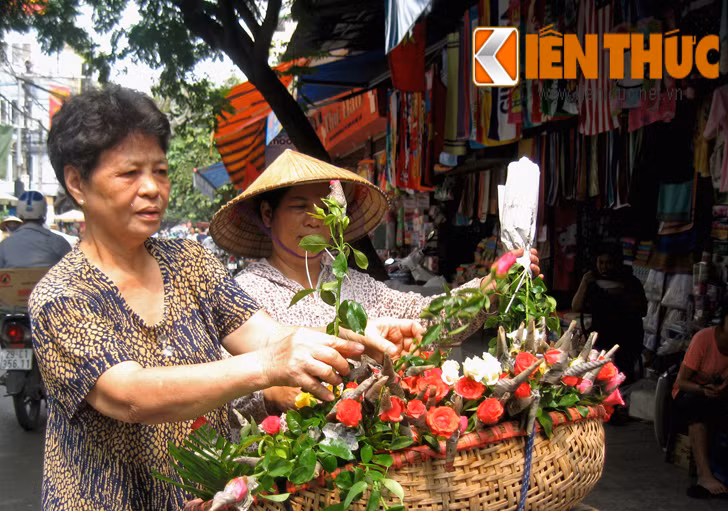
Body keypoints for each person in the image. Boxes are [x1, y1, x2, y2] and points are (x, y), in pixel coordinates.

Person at [31, 85, 422, 511]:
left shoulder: (189, 264)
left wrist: (352, 338)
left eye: (160, 171)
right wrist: (266, 367)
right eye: (130, 173)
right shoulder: (60, 297)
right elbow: (129, 394)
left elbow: (267, 334)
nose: (152, 188)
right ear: (77, 183)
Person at [208, 149, 541, 422]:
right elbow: (216, 386)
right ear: (268, 214)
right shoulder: (243, 294)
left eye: (325, 207)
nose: (315, 218)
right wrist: (268, 395)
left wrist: (485, 289)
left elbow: (425, 317)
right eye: (299, 206)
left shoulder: (351, 283)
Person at [673, 293, 728, 497]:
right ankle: (704, 475)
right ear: (724, 317)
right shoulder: (704, 338)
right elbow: (681, 382)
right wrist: (703, 389)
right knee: (698, 407)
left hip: (720, 397)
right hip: (690, 395)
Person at [571, 244, 647, 382]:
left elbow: (643, 310)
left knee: (620, 377)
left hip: (626, 338)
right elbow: (576, 306)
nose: (604, 267)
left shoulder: (630, 282)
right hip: (601, 336)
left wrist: (623, 294)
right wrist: (584, 282)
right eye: (600, 263)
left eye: (608, 263)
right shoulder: (593, 282)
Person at [0, 191, 72, 272]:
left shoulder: (4, 245)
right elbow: (72, 270)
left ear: (19, 213)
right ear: (44, 211)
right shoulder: (59, 242)